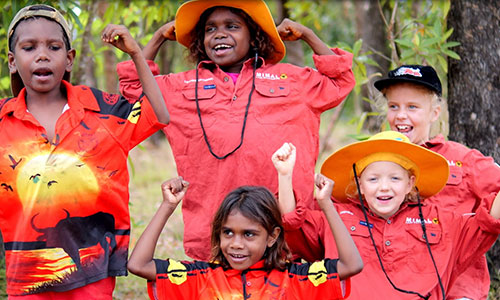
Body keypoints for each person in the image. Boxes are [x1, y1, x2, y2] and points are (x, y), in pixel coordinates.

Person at [117, 0, 356, 261]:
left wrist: (308, 35)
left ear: (254, 36)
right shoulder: (182, 87)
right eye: (210, 29)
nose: (220, 34)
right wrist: (158, 38)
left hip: (283, 229)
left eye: (232, 26)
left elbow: (339, 80)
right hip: (216, 231)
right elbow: (134, 89)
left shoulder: (291, 79)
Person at [0, 4, 169, 299]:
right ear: (13, 62)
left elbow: (159, 114)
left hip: (93, 277)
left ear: (69, 60)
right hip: (25, 275)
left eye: (53, 47)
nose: (42, 54)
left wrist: (137, 54)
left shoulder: (104, 111)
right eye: (29, 47)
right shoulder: (3, 119)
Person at [280, 131, 500, 299]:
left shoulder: (440, 220)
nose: (384, 187)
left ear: (410, 184)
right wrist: (284, 175)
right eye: (373, 179)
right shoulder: (336, 216)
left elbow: (487, 223)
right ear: (360, 185)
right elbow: (292, 224)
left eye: (395, 179)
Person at [127, 168, 362, 299]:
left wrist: (326, 205)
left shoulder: (296, 279)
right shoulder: (200, 278)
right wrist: (168, 206)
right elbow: (139, 264)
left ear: (272, 236)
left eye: (249, 235)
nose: (236, 244)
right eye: (227, 232)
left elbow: (351, 265)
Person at [374, 65, 500, 299]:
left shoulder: (463, 161)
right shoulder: (375, 160)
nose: (401, 115)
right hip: (401, 287)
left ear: (434, 113)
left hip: (458, 288)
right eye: (394, 106)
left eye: (412, 107)